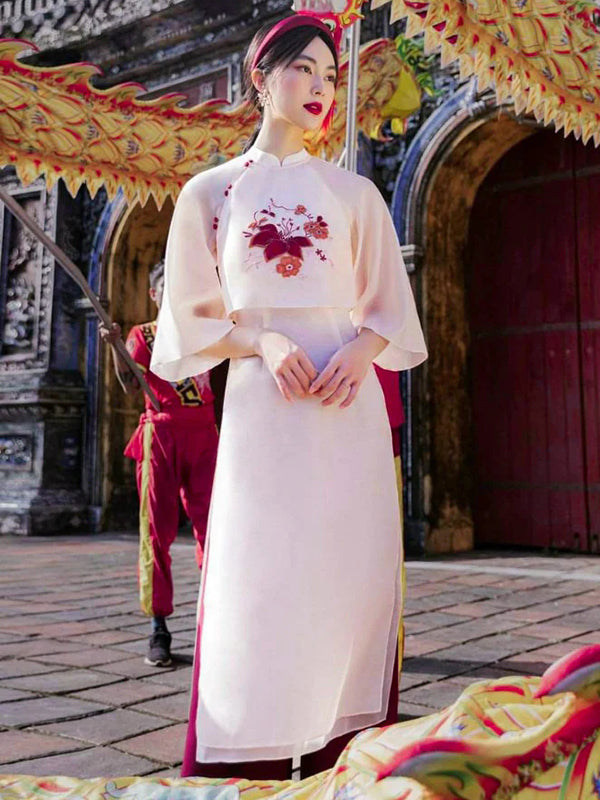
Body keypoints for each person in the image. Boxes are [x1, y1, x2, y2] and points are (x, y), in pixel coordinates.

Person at [151, 14, 427, 780]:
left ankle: (346, 759)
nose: (319, 87)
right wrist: (263, 342)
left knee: (347, 573)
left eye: (330, 76)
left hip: (345, 411)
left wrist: (362, 352)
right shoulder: (211, 194)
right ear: (260, 76)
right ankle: (245, 763)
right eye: (303, 68)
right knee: (257, 574)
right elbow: (189, 320)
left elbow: (388, 310)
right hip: (263, 413)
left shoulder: (354, 193)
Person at [100, 260, 218, 668]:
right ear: (154, 294)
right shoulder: (143, 335)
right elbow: (130, 385)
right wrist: (116, 349)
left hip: (205, 435)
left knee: (215, 530)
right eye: (167, 285)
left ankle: (217, 621)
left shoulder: (206, 331)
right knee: (156, 530)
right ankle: (159, 626)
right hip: (161, 436)